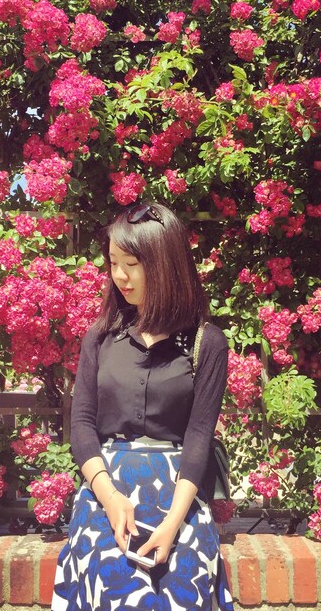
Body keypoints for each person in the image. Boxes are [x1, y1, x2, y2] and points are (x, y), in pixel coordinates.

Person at [52, 202, 234, 610]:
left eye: (131, 264)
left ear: (164, 265)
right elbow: (82, 426)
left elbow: (199, 437)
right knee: (109, 581)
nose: (119, 276)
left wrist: (173, 523)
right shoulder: (101, 337)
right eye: (114, 263)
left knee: (185, 581)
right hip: (106, 488)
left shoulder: (207, 343)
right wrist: (110, 498)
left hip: (180, 495)